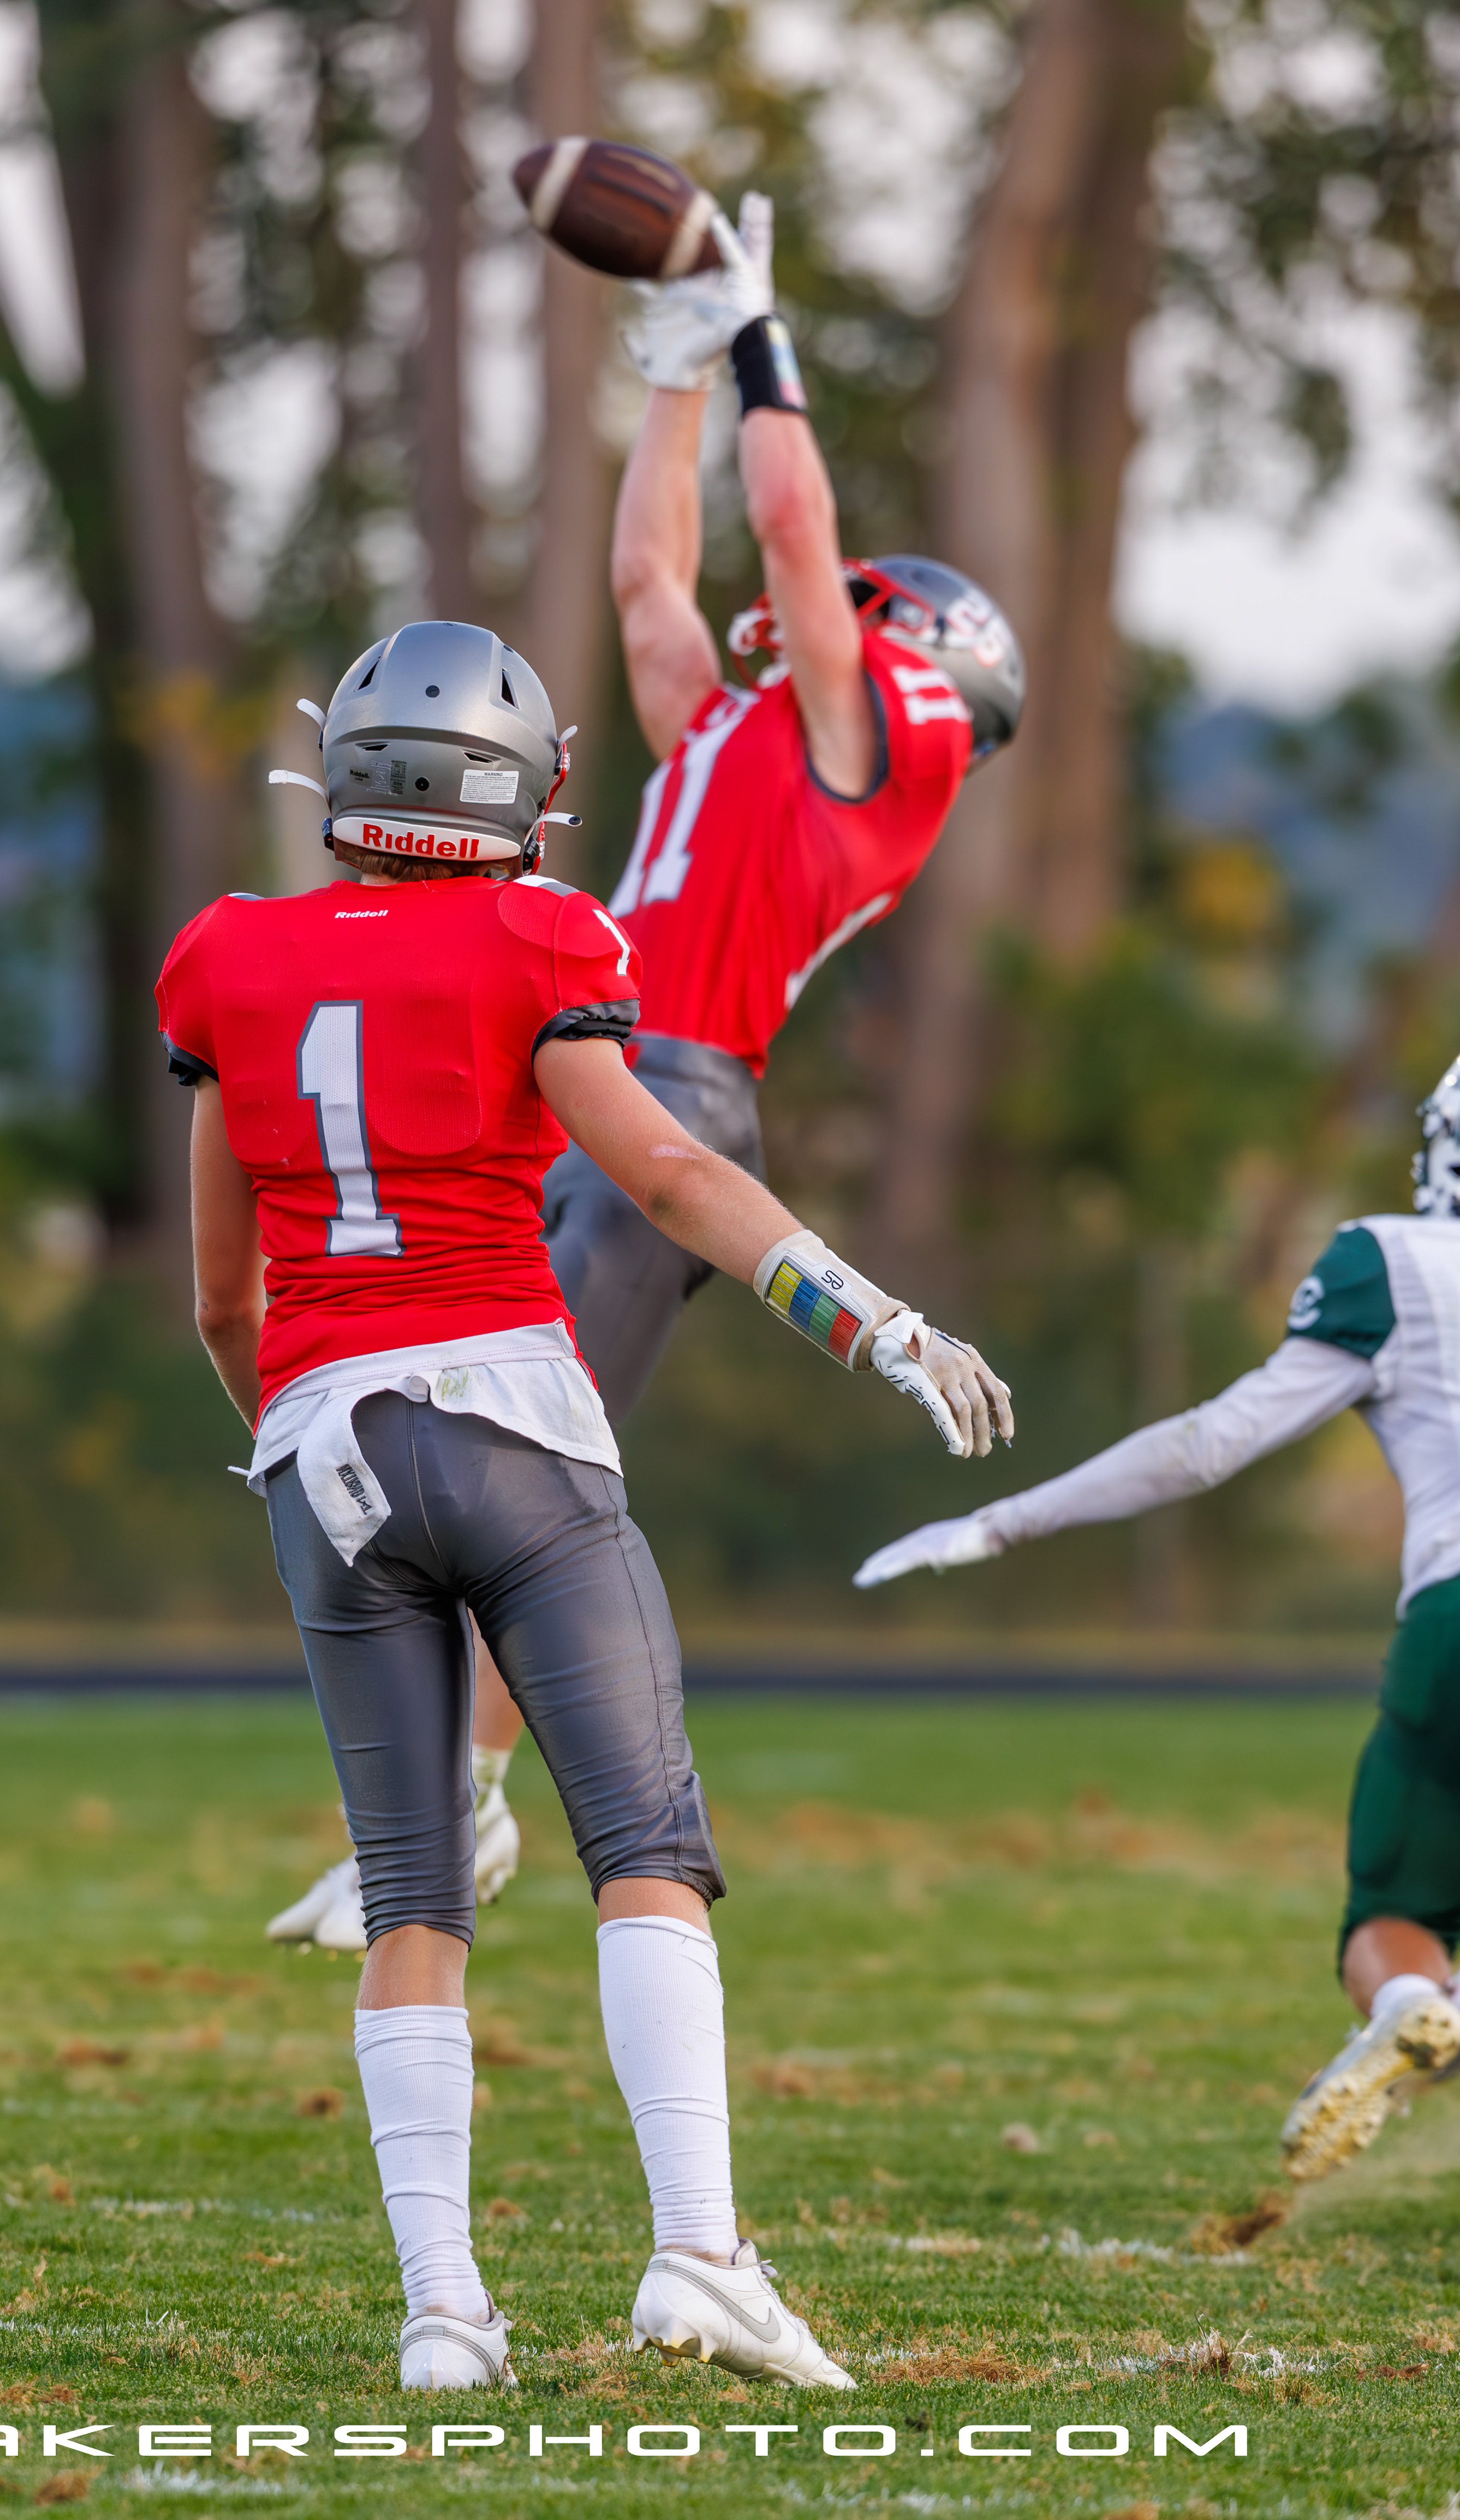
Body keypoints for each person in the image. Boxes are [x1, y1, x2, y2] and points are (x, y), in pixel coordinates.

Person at [163, 617, 1013, 2386]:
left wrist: (299, 1448)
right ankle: (698, 2254)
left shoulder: (229, 957)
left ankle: (442, 2317)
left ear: (347, 780)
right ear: (524, 794)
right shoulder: (539, 935)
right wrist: (880, 1324)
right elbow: (673, 1174)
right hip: (515, 1429)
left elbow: (223, 1301)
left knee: (412, 1894)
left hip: (321, 1447)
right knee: (645, 1850)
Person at [272, 190, 1027, 1952]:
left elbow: (794, 530)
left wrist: (761, 341)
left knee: (517, 1459)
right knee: (445, 1419)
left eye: (853, 613)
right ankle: (448, 1804)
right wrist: (679, 368)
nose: (811, 615)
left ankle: (458, 1810)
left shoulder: (874, 754)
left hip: (666, 1097)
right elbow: (645, 583)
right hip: (572, 1076)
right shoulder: (745, 740)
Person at [854, 1058, 1460, 2186]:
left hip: (1452, 1615)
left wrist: (1003, 1521)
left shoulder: (1398, 1261)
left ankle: (1413, 2001)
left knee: (1395, 1909)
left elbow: (1208, 1446)